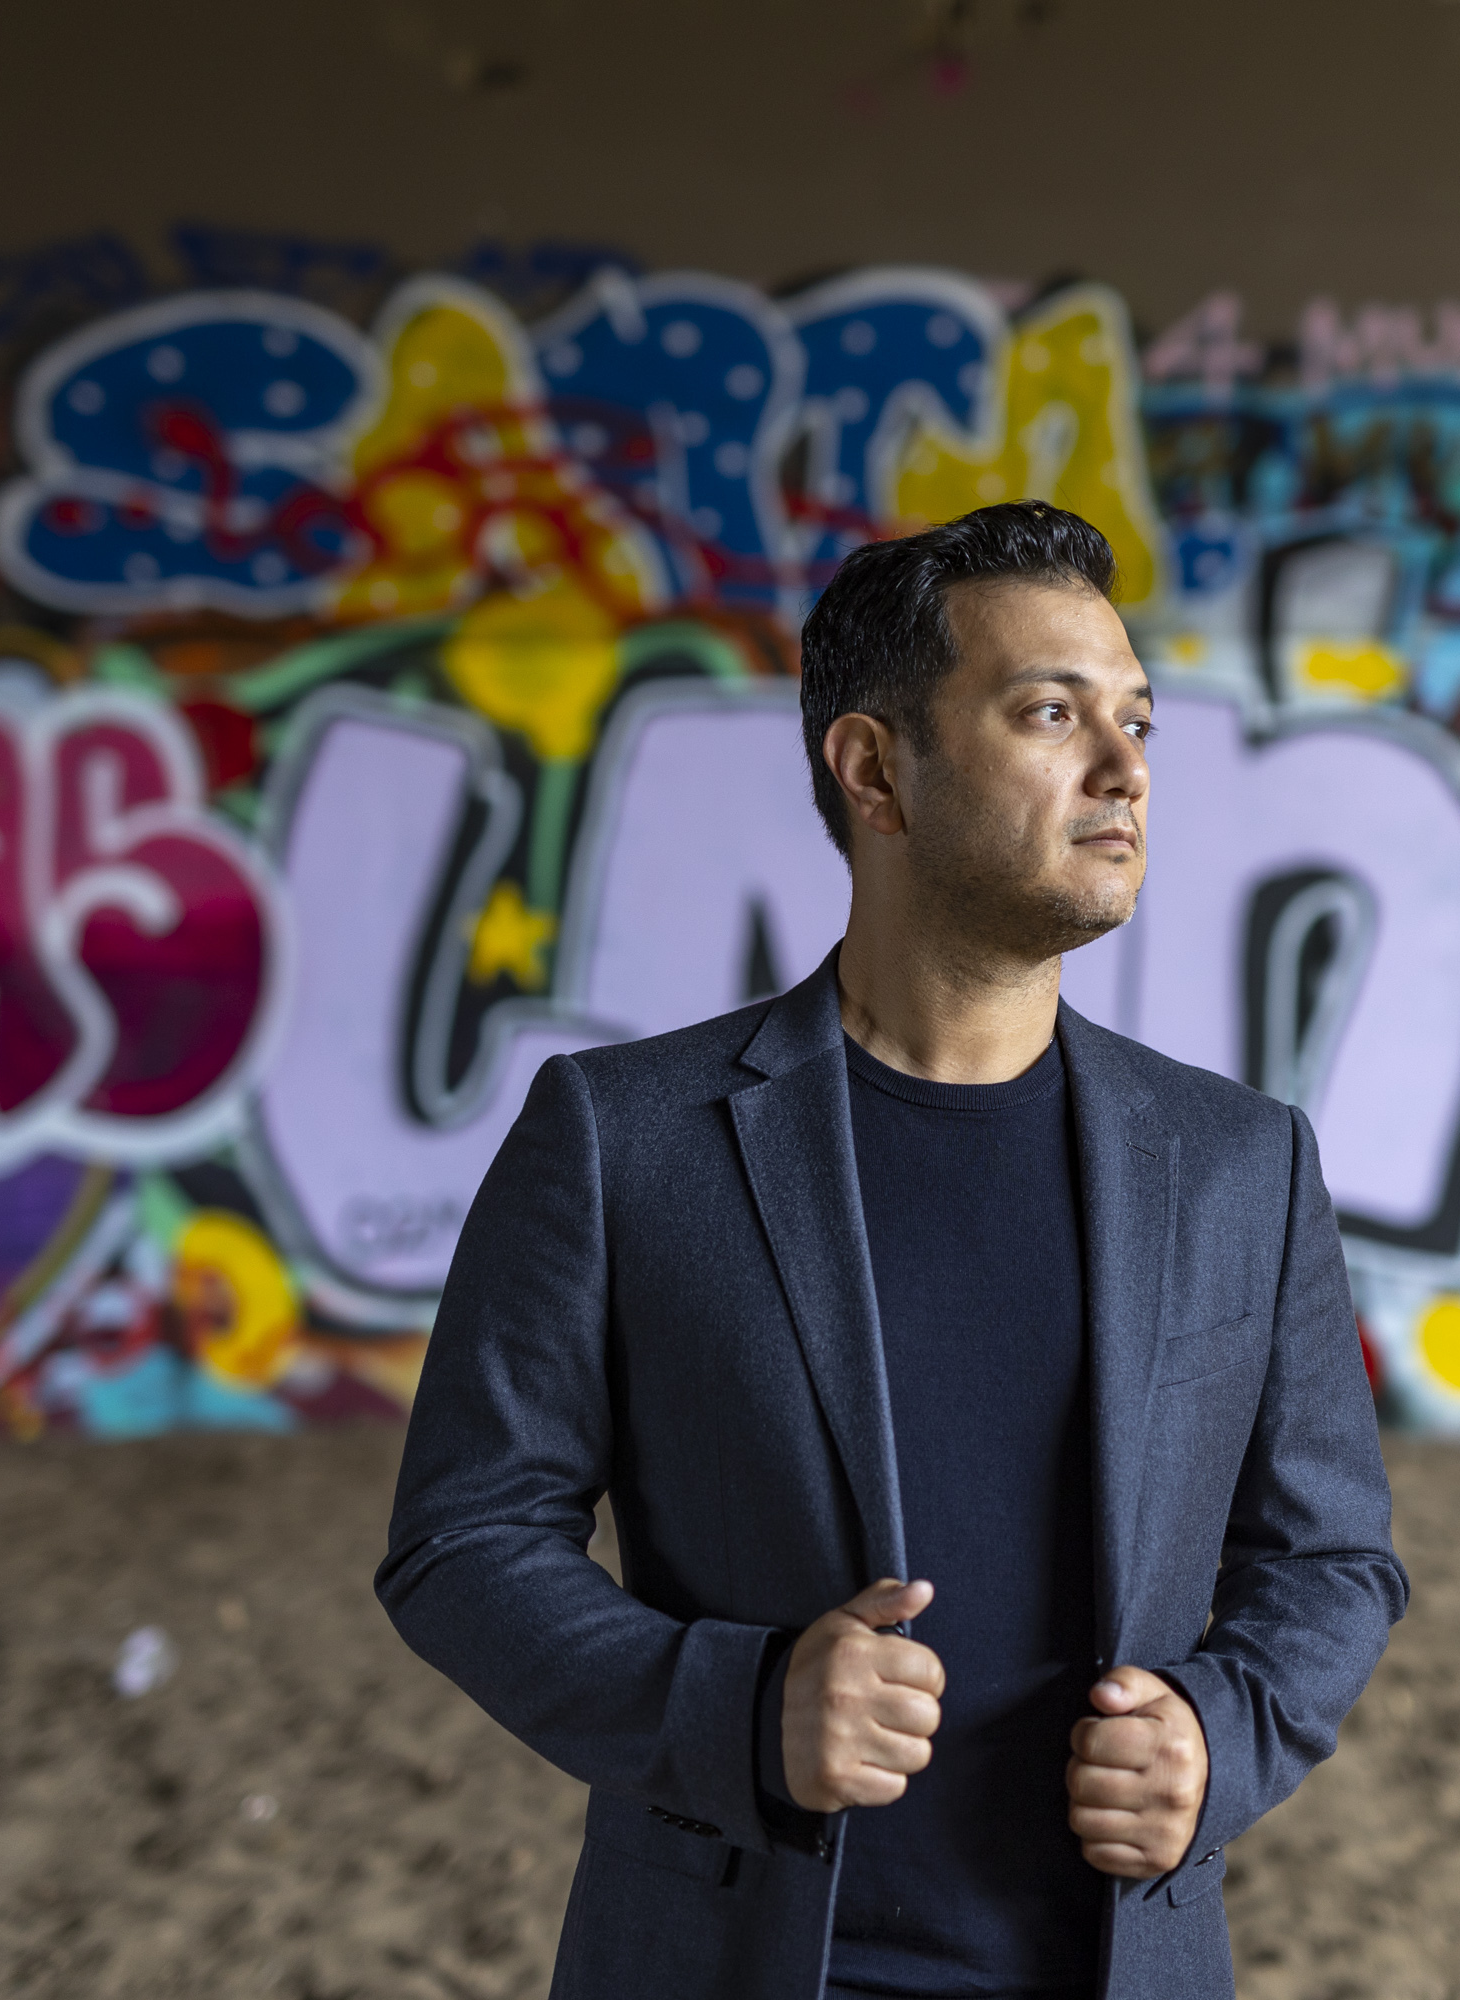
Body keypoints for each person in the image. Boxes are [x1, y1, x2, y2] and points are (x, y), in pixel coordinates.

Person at [378, 500, 1407, 1999]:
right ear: (874, 770)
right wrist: (740, 1710)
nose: (1124, 768)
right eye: (1050, 713)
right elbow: (464, 1538)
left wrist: (1219, 1735)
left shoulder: (1242, 1161)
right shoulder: (624, 1136)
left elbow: (1331, 1556)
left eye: (1135, 721)